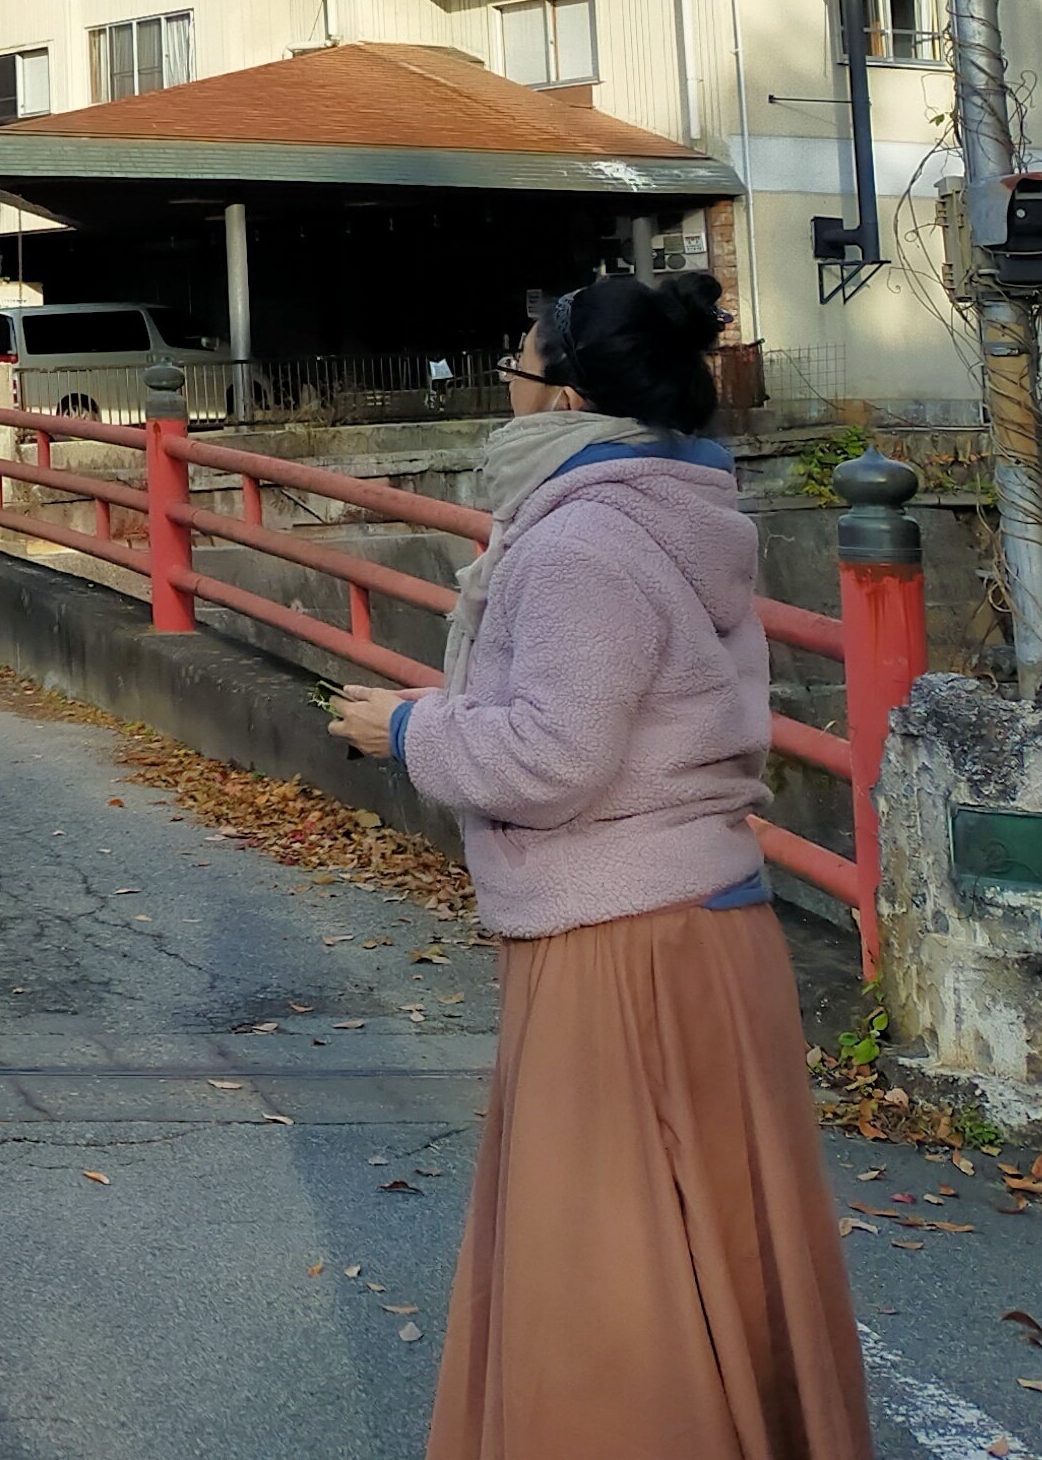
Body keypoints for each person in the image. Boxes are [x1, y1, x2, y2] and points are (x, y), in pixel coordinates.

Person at [327, 271, 869, 1460]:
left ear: (565, 396)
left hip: (615, 930)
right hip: (703, 921)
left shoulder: (579, 542)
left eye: (515, 366)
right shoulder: (668, 511)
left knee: (605, 1264)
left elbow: (555, 758)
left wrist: (405, 728)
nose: (504, 386)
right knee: (715, 1239)